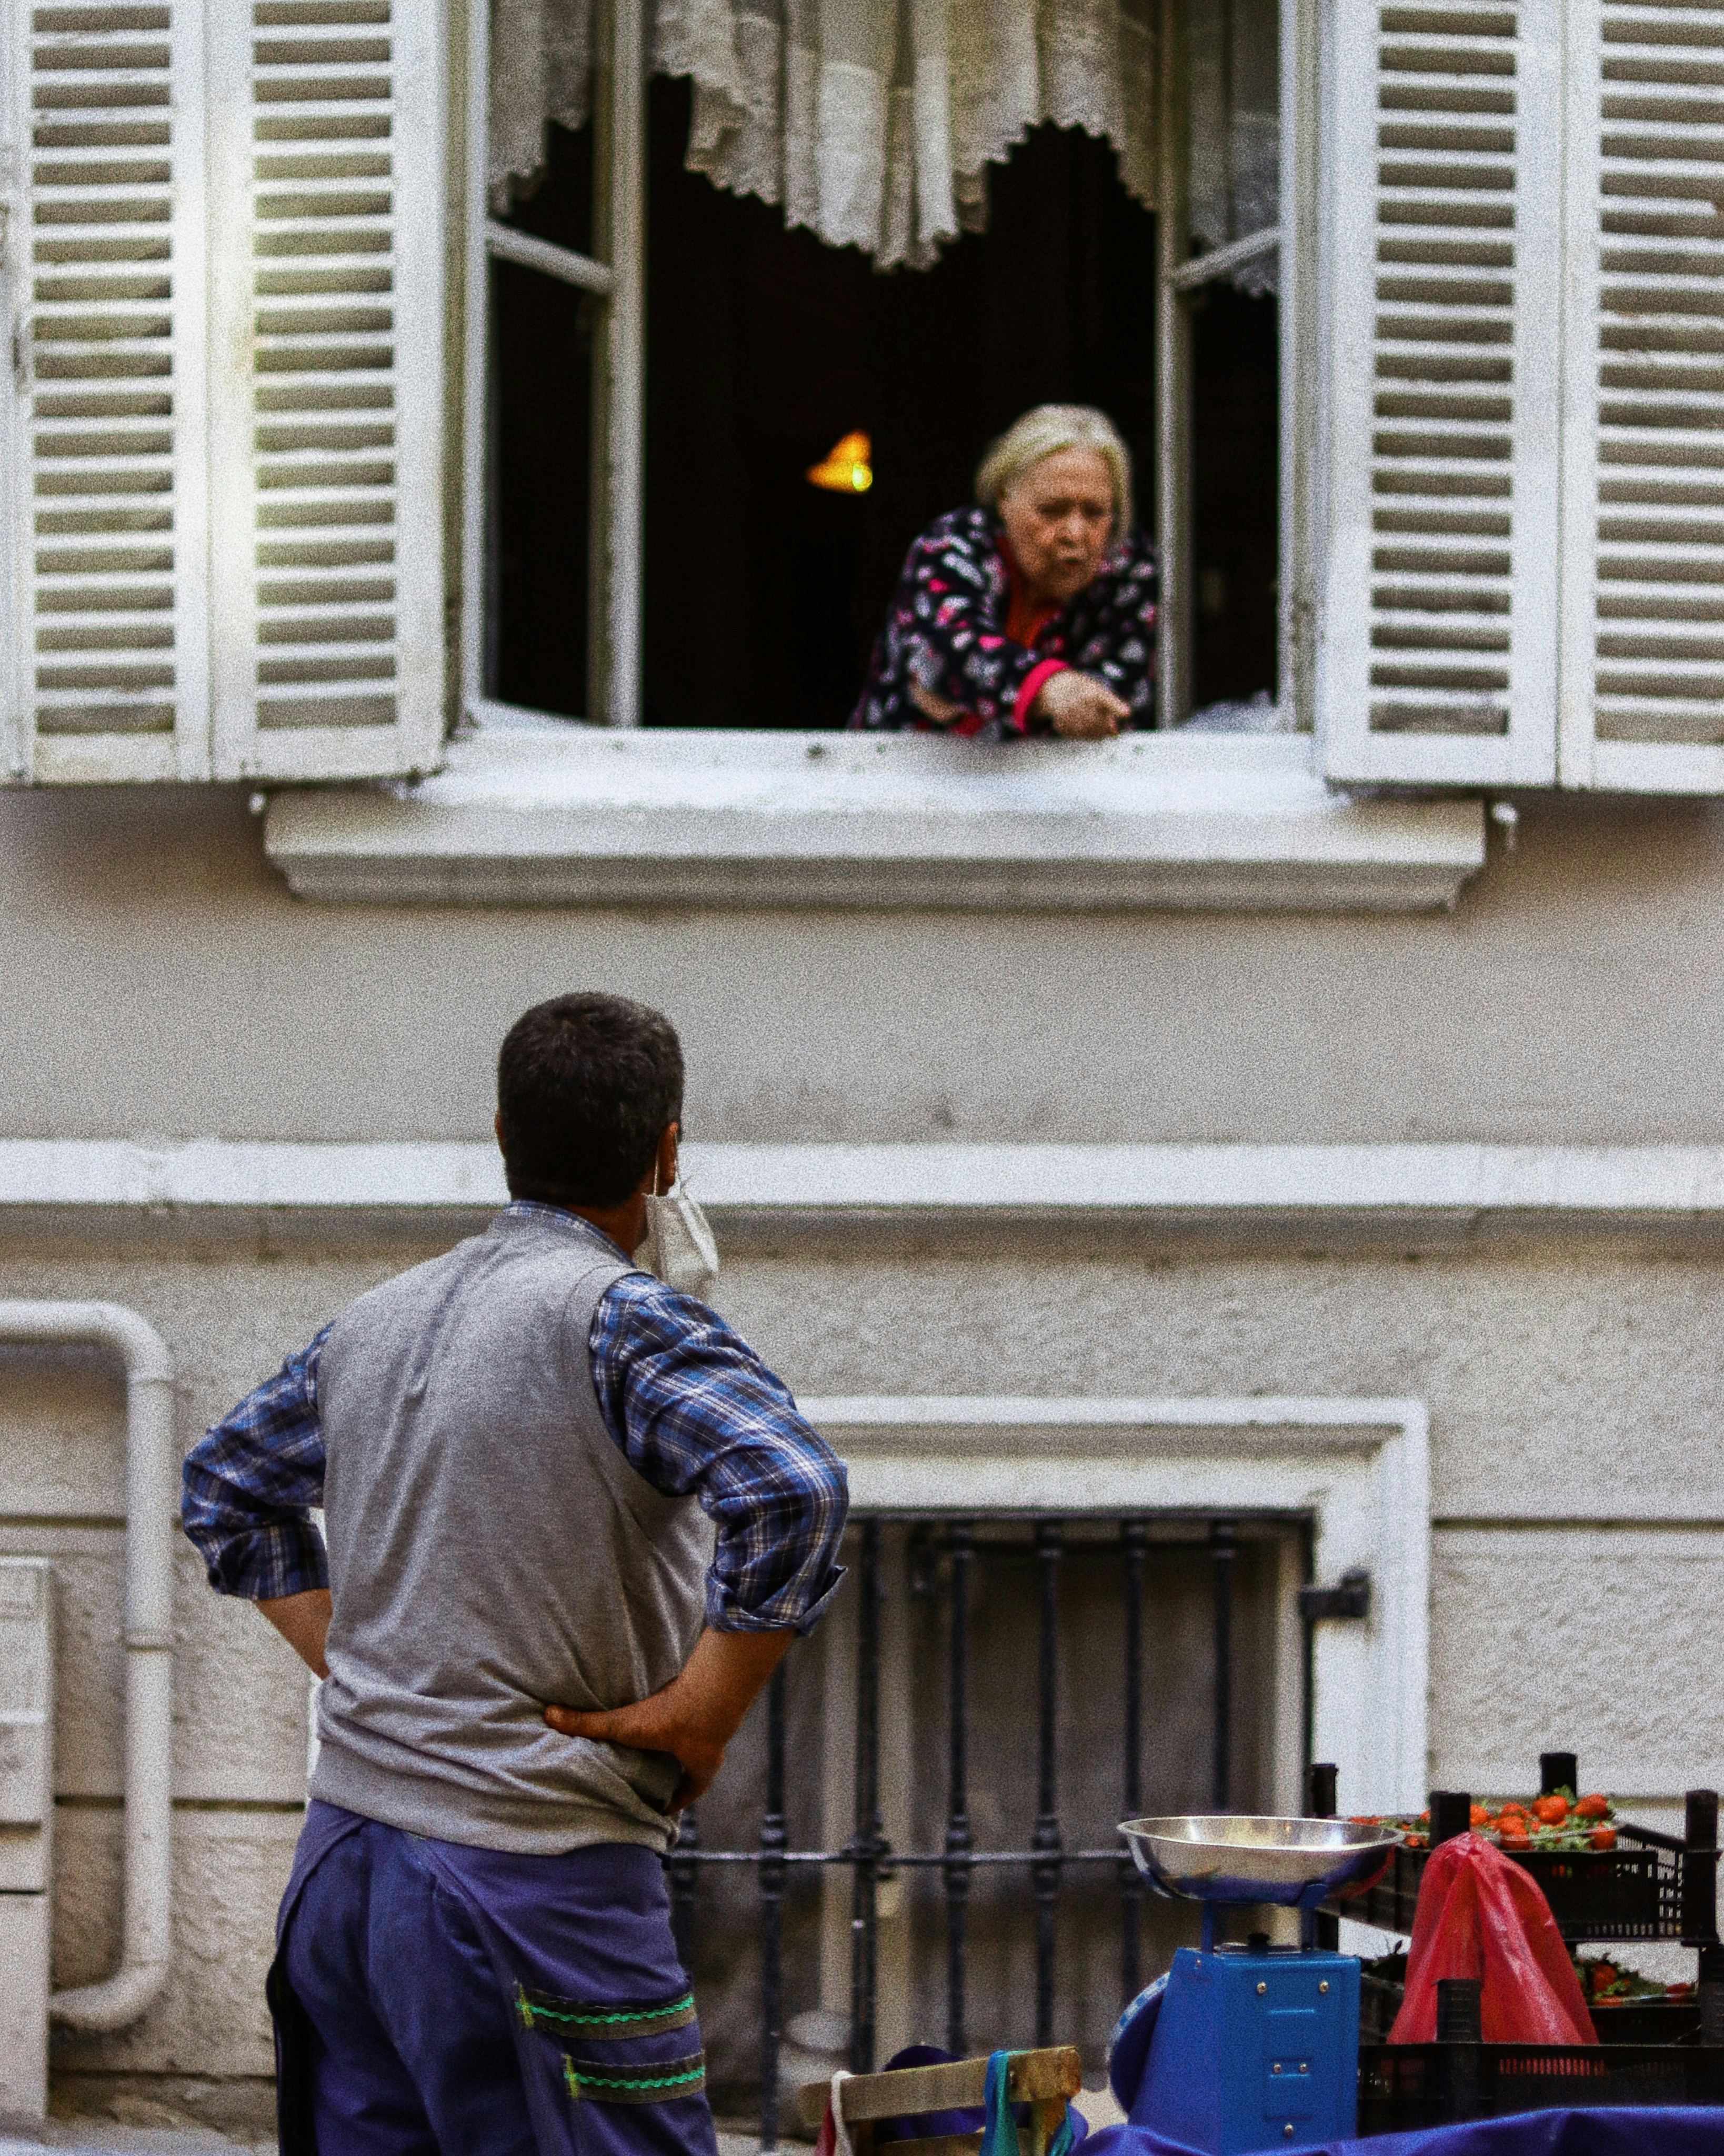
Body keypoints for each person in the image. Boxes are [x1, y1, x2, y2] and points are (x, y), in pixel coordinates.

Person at [181, 993, 849, 2156]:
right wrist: (702, 1714)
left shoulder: (369, 1324)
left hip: (345, 1876)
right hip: (533, 1881)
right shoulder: (628, 1322)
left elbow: (224, 1485)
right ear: (668, 1152)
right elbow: (795, 1488)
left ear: (501, 1134)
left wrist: (363, 1662)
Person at [850, 404, 1157, 742]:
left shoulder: (1129, 569)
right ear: (1004, 498)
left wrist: (975, 699)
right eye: (1052, 510)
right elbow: (950, 655)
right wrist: (1052, 691)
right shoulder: (952, 545)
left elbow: (1115, 708)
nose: (1075, 534)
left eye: (1096, 512)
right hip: (889, 771)